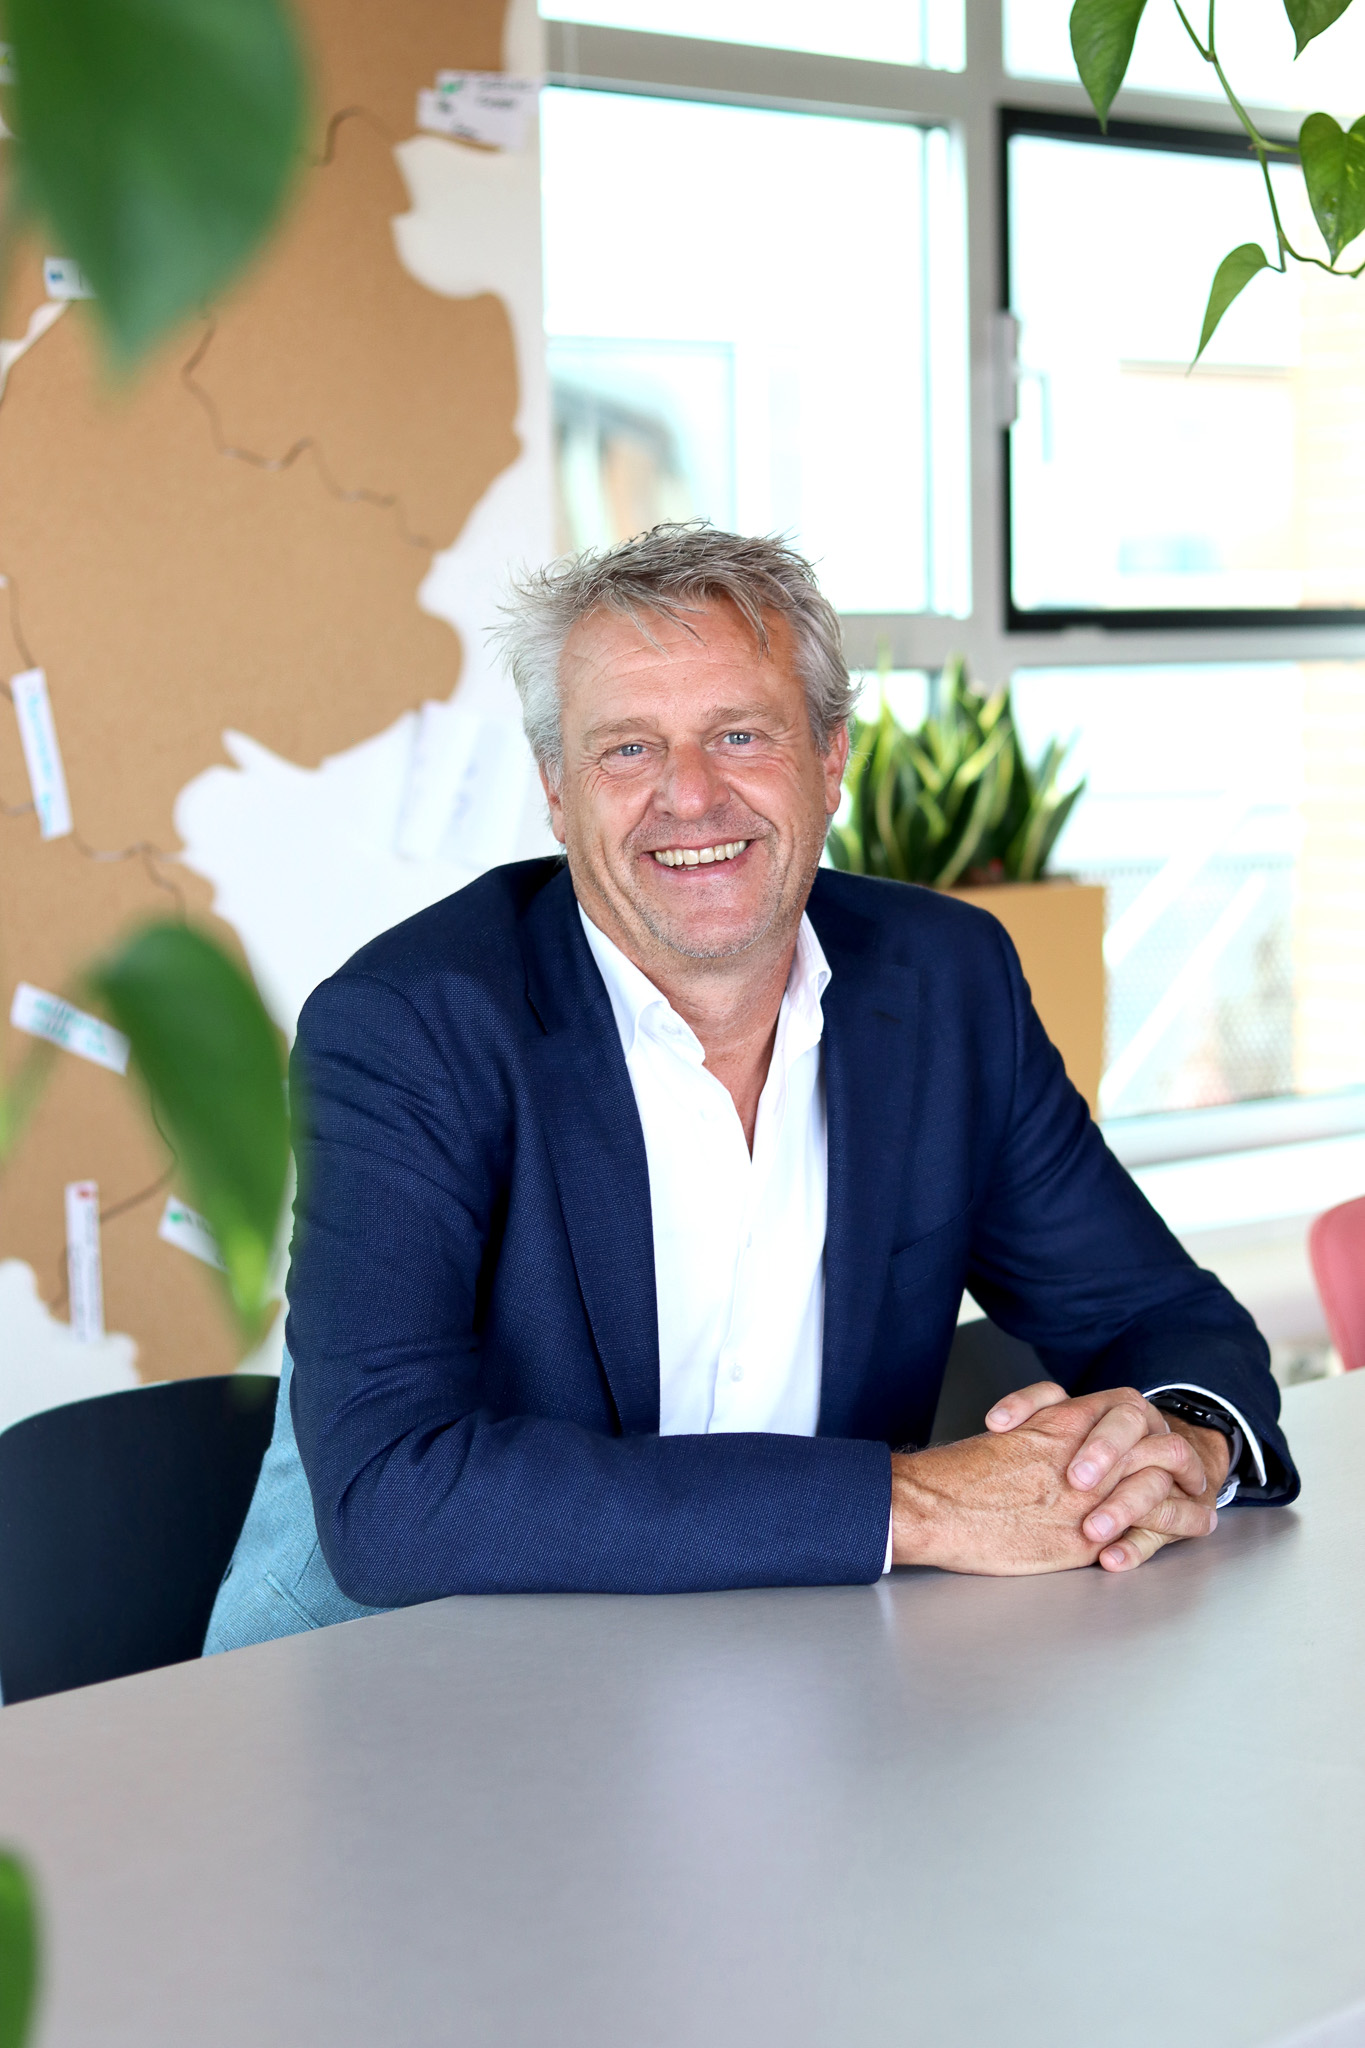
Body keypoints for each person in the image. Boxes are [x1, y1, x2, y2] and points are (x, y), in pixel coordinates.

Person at [206, 523, 1296, 1651]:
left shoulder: (943, 983)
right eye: (627, 748)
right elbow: (394, 1497)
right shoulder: (410, 1026)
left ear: (830, 760)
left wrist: (1178, 1443)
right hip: (403, 1674)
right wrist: (918, 1504)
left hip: (792, 1664)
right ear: (557, 793)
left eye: (739, 734)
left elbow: (1155, 1315)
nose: (689, 795)